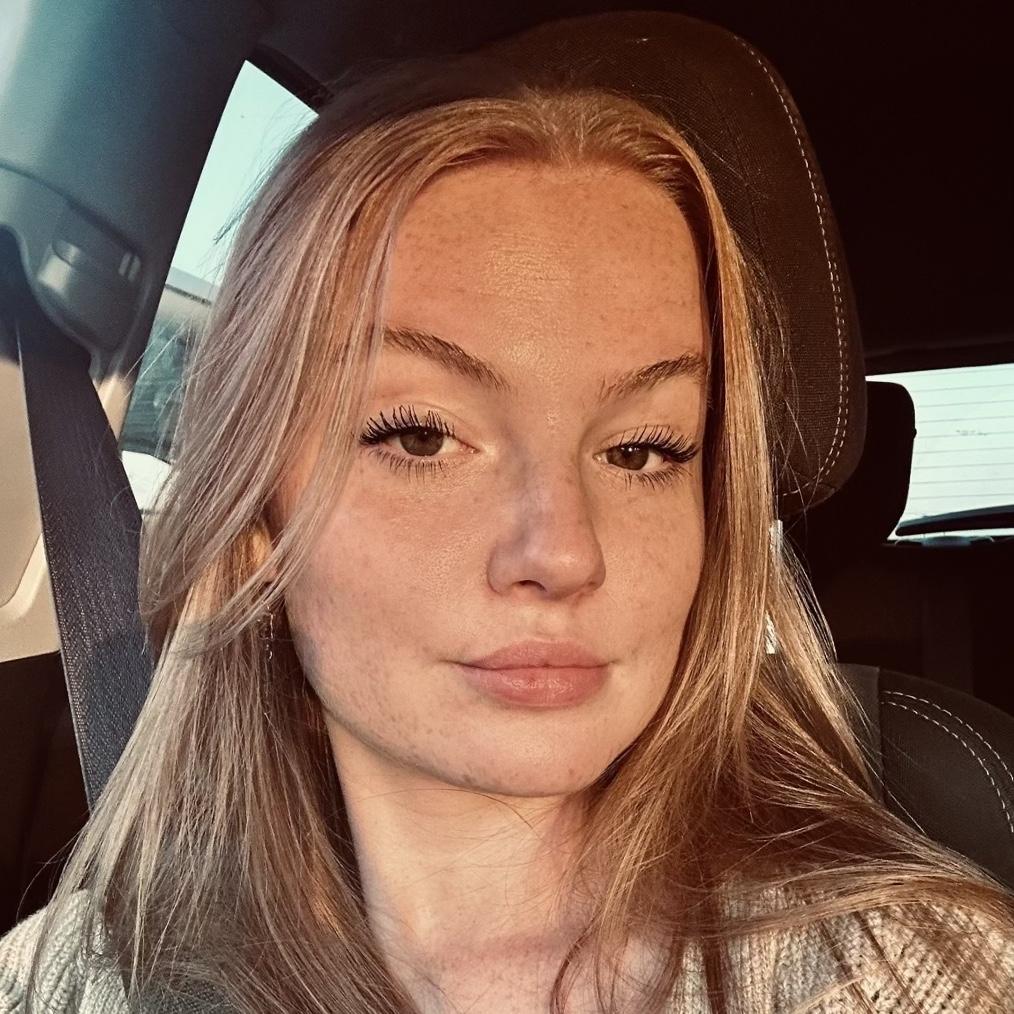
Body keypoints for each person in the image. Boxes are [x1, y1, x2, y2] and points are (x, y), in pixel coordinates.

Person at [2, 50, 1012, 1014]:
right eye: (420, 436)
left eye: (643, 450)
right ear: (258, 509)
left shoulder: (907, 974)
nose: (564, 554)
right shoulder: (70, 980)